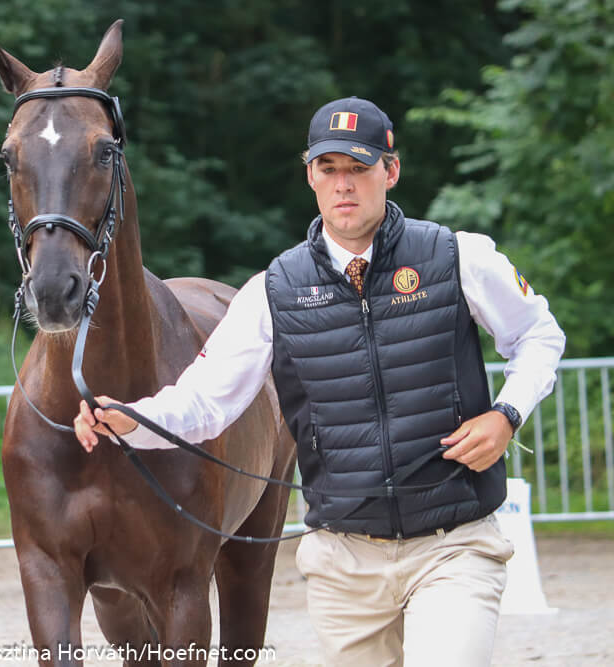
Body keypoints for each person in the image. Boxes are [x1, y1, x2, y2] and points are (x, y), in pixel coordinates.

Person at [73, 96, 566, 666]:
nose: (344, 185)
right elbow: (206, 402)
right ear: (310, 174)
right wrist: (133, 420)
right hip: (343, 562)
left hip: (452, 546)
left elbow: (539, 335)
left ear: (391, 170)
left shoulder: (460, 257)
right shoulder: (272, 291)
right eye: (329, 169)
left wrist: (506, 415)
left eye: (359, 168)